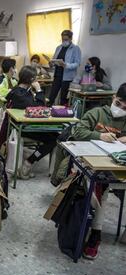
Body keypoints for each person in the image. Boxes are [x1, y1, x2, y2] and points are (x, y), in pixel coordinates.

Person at [71, 83, 126, 260]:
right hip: (90, 164)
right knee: (101, 189)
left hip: (117, 166)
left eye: (125, 108)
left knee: (105, 186)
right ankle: (96, 231)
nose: (120, 109)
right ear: (113, 98)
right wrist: (99, 135)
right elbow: (78, 131)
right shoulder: (97, 113)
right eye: (118, 104)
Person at [6, 66, 57, 179]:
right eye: (35, 78)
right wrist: (38, 90)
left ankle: (31, 158)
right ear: (31, 80)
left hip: (27, 125)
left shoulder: (19, 90)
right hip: (23, 128)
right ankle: (29, 162)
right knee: (54, 140)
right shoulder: (21, 95)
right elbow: (40, 107)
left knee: (55, 135)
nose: (37, 80)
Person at [48, 30, 81, 105]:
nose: (64, 41)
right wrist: (51, 63)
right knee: (51, 97)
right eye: (63, 39)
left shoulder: (75, 49)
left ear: (70, 38)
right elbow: (54, 59)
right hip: (57, 76)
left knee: (63, 99)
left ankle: (62, 114)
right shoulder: (59, 47)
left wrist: (66, 65)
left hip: (67, 78)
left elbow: (77, 63)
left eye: (66, 39)